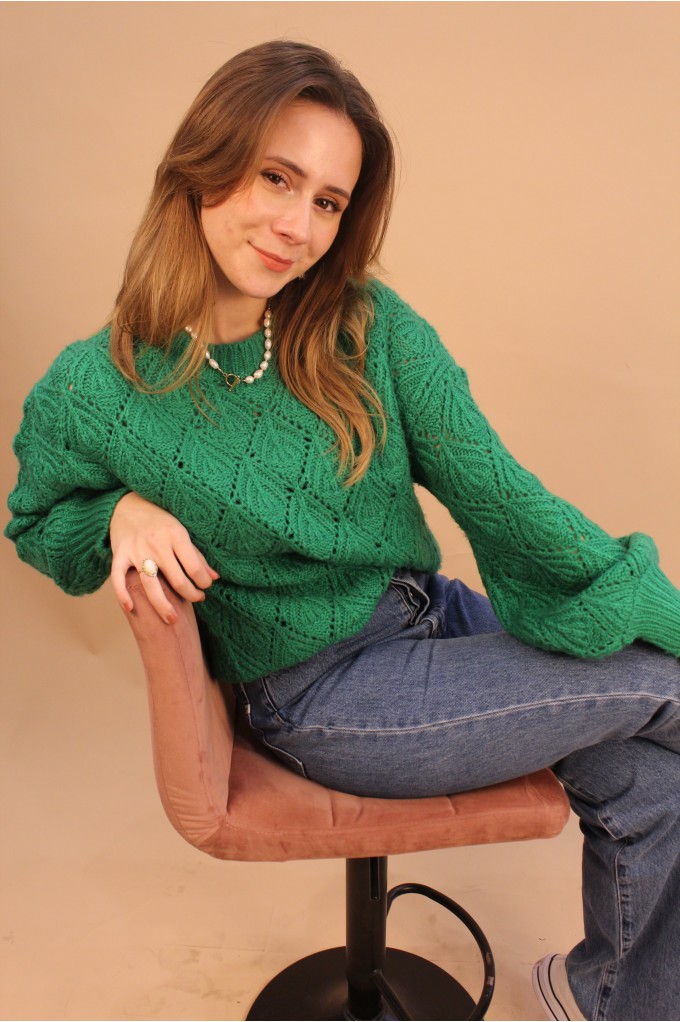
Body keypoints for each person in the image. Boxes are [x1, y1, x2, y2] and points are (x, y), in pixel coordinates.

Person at [5, 39, 679, 1022]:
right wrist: (115, 512)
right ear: (203, 165)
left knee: (651, 766)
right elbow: (37, 522)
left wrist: (648, 602)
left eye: (328, 201)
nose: (299, 226)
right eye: (277, 178)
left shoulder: (367, 326)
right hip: (321, 692)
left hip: (428, 616)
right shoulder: (94, 388)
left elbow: (500, 496)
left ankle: (607, 999)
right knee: (666, 687)